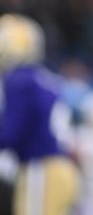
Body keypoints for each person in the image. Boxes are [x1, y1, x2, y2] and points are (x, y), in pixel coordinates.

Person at [0, 13, 80, 215]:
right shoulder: (45, 78)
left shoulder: (18, 80)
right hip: (64, 169)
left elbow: (10, 134)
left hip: (40, 169)